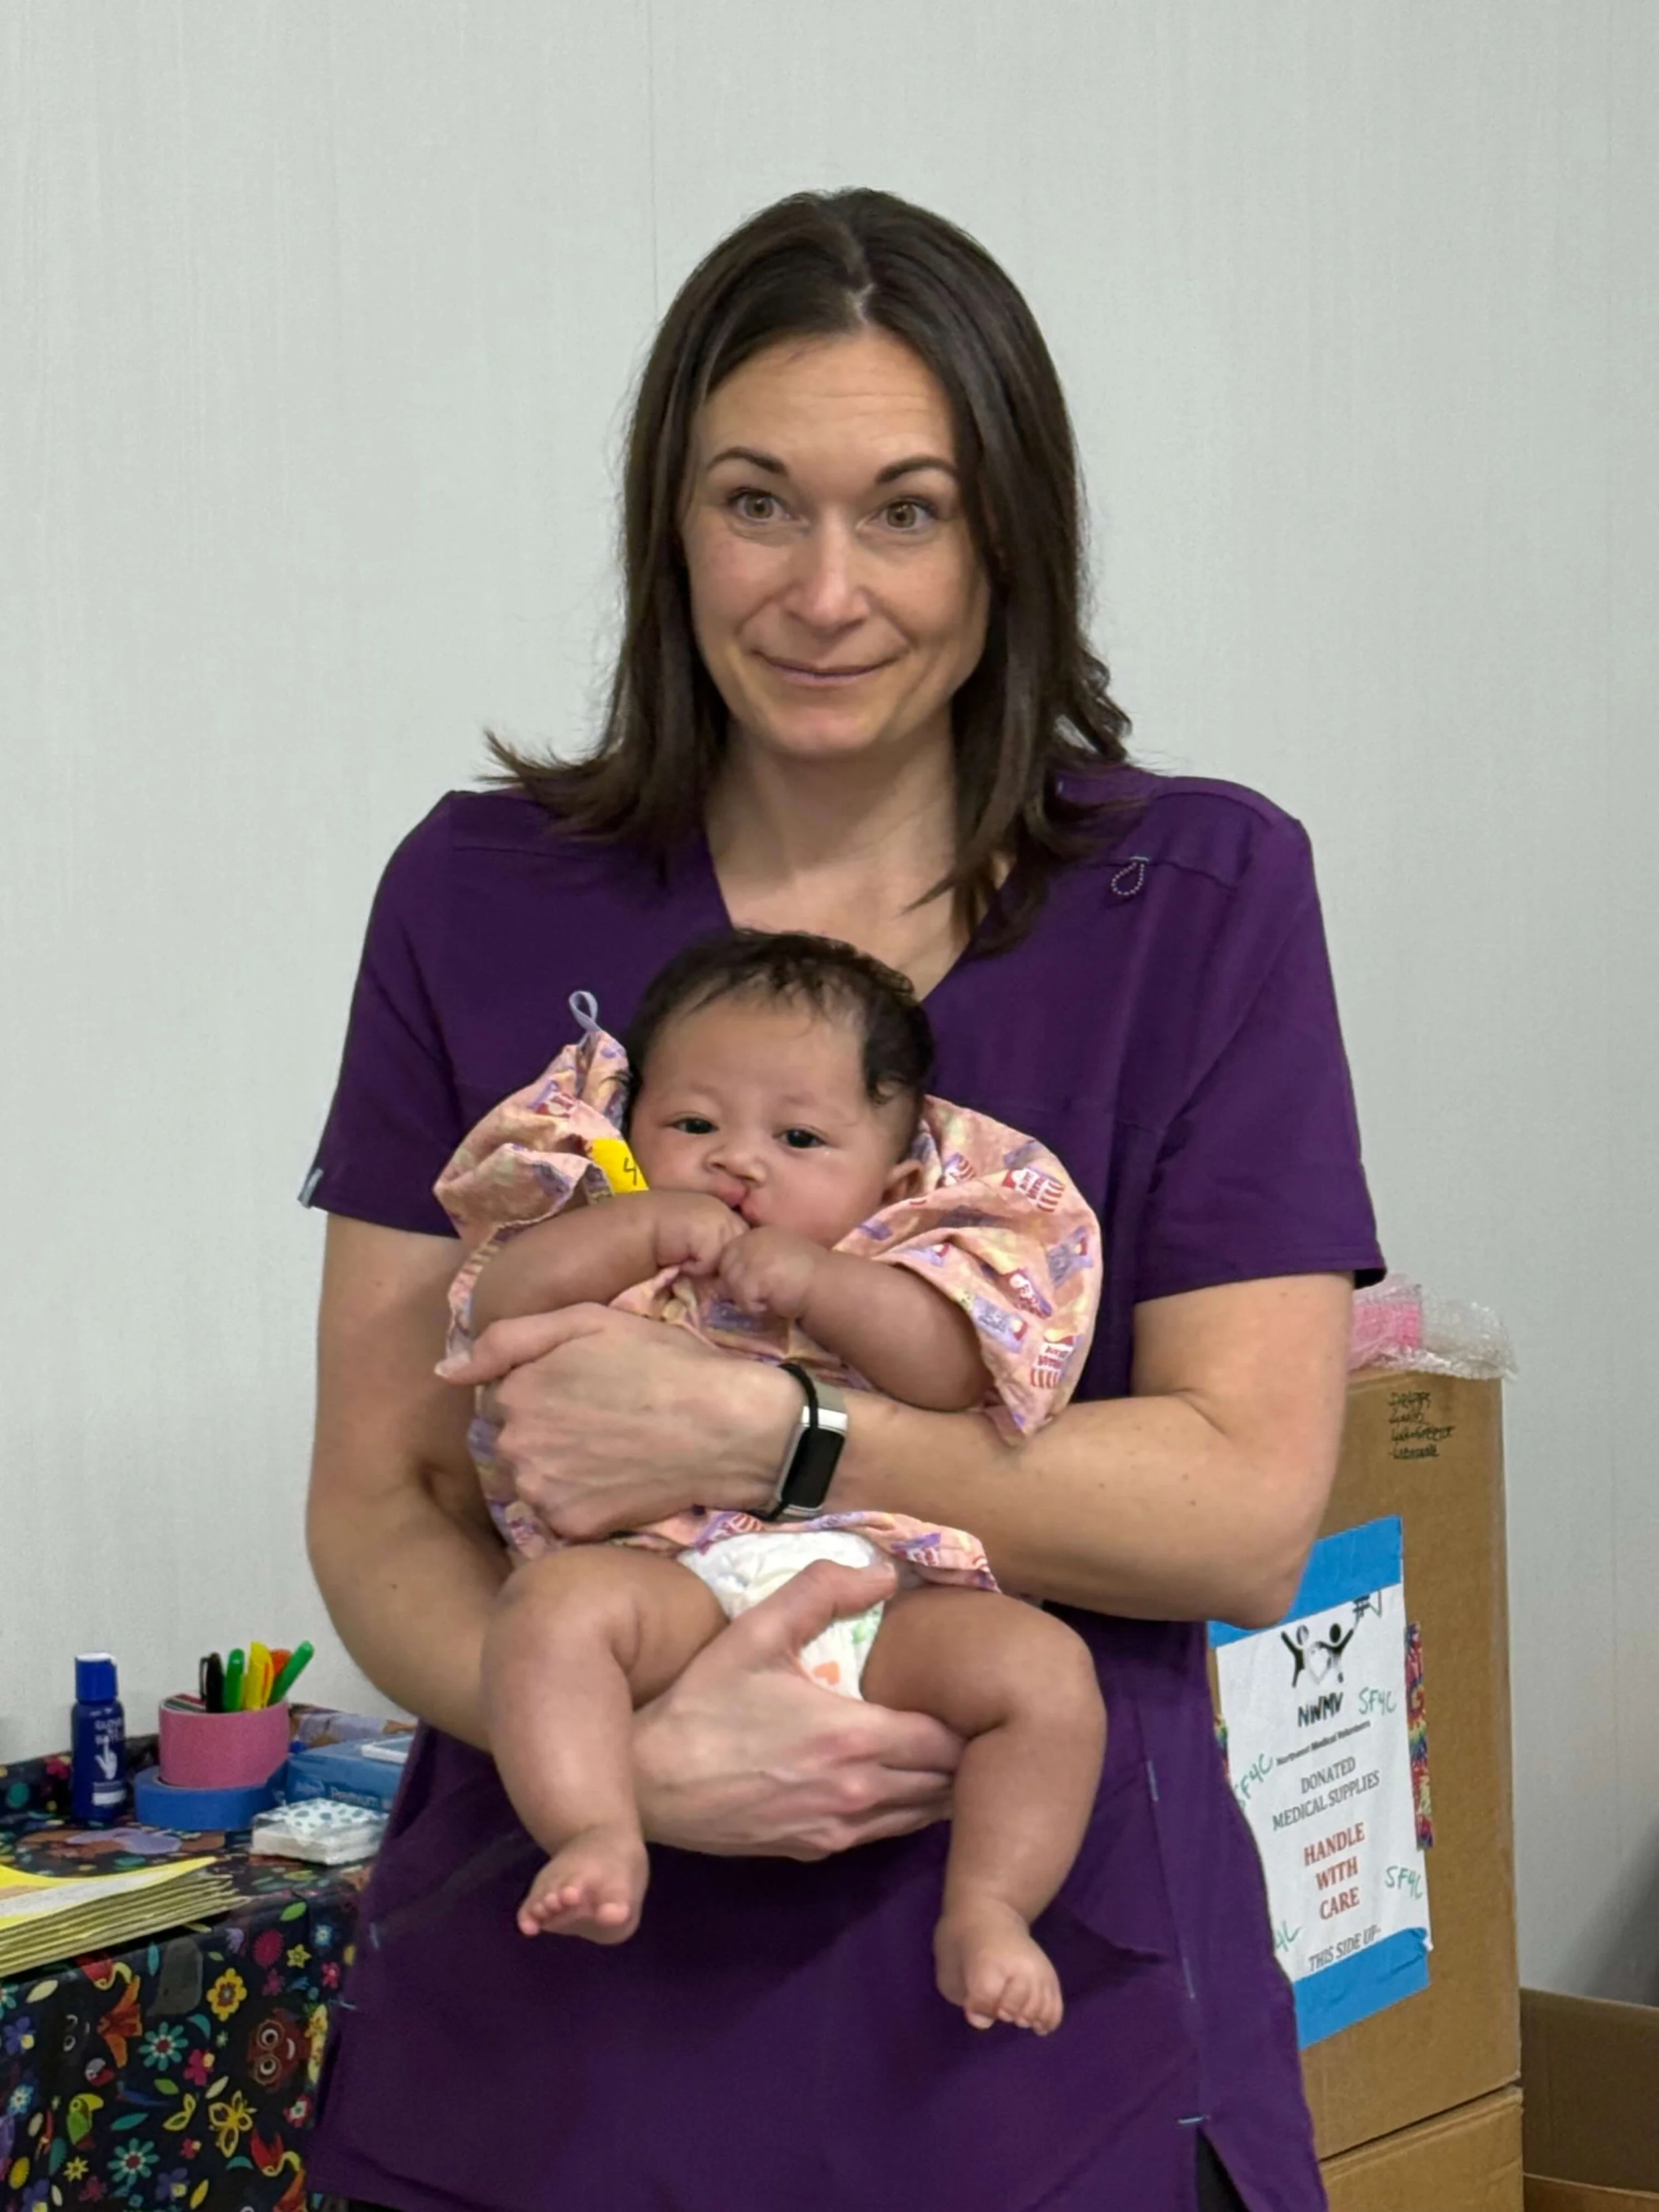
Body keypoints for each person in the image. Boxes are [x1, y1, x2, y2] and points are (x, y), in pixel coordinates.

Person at [302, 186, 1382, 2212]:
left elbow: (1243, 1511)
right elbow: (379, 1498)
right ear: (668, 524)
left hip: (1032, 2029)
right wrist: (614, 1760)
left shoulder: (1199, 902)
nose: (822, 590)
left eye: (906, 508)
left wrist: (773, 1430)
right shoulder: (474, 896)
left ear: (1008, 538)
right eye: (753, 502)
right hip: (558, 2017)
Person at [439, 928, 1107, 2035]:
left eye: (799, 1137)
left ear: (892, 1179)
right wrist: (636, 1229)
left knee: (1045, 1675)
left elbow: (952, 1374)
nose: (737, 1161)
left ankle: (990, 1908)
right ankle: (597, 1828)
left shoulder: (913, 1252)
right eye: (693, 1126)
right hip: (670, 1577)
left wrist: (824, 1282)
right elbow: (498, 1305)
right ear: (631, 1125)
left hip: (878, 1590)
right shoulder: (611, 1229)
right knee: (553, 1615)